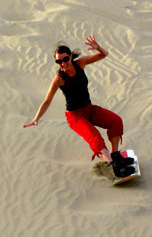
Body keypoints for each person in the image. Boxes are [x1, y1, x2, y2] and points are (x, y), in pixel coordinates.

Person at [23, 35, 135, 178]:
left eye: (65, 59)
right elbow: (47, 101)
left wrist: (98, 47)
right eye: (58, 61)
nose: (63, 63)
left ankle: (115, 156)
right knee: (95, 138)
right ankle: (112, 167)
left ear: (70, 56)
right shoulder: (59, 79)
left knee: (116, 121)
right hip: (75, 116)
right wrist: (36, 118)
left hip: (89, 108)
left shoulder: (80, 63)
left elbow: (104, 55)